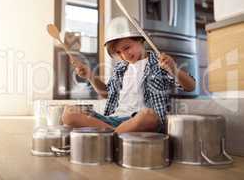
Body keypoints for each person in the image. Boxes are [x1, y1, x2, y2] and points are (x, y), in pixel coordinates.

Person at [62, 16, 195, 133]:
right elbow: (107, 94)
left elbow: (191, 86)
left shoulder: (159, 62)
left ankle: (108, 136)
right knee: (68, 113)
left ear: (140, 39)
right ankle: (116, 134)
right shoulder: (120, 68)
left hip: (141, 121)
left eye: (127, 47)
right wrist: (90, 76)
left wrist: (173, 69)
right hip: (114, 120)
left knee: (149, 116)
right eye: (118, 52)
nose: (124, 55)